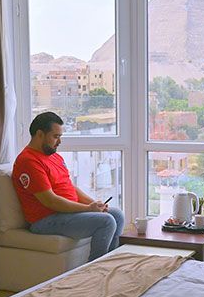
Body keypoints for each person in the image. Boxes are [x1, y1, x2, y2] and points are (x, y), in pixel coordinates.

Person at [12, 112, 125, 262]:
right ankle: (94, 271)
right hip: (46, 220)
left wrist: (95, 205)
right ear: (39, 134)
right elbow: (51, 201)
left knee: (117, 214)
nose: (59, 141)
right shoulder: (28, 161)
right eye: (56, 136)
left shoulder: (54, 156)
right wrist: (88, 209)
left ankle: (108, 264)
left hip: (65, 214)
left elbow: (70, 188)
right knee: (106, 221)